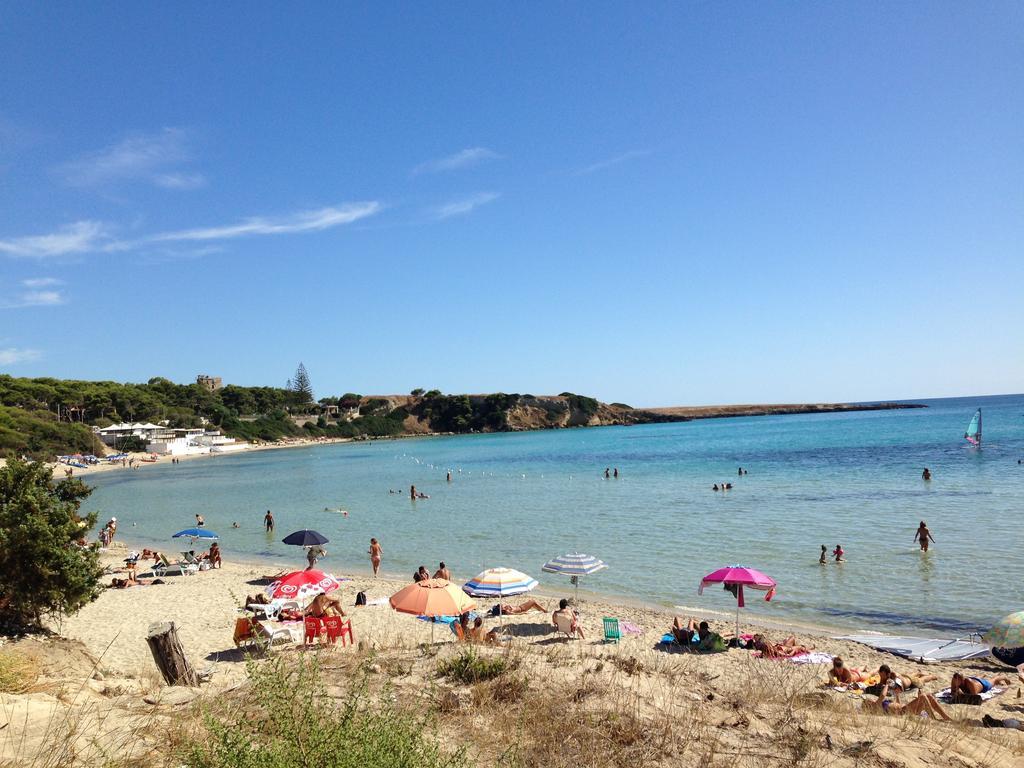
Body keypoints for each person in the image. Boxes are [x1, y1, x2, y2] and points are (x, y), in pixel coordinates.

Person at [863, 686, 951, 720]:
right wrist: (887, 684)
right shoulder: (876, 706)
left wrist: (897, 695)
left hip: (906, 708)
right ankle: (933, 719)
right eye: (868, 701)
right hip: (904, 711)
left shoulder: (880, 704)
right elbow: (882, 695)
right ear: (868, 705)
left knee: (929, 696)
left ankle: (945, 717)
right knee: (923, 696)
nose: (870, 700)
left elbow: (897, 704)